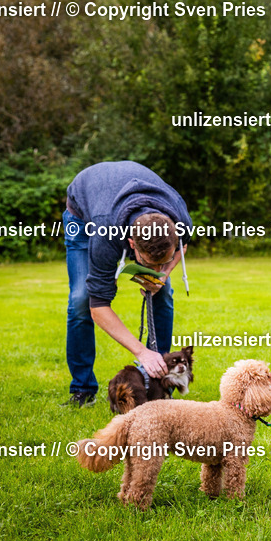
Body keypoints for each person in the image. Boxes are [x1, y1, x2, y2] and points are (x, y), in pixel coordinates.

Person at [62, 161, 192, 407]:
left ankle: (159, 380)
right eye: (149, 264)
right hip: (83, 213)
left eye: (161, 262)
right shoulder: (104, 232)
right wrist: (141, 352)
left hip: (126, 197)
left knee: (162, 293)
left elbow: (182, 248)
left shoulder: (179, 219)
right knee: (80, 300)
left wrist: (163, 274)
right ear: (132, 245)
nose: (154, 271)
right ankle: (82, 390)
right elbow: (98, 306)